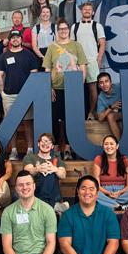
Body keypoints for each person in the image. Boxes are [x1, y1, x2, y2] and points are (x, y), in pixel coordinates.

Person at [58, 175, 127, 254]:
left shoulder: (108, 214)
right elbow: (65, 246)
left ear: (97, 192)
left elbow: (113, 243)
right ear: (78, 191)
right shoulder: (68, 215)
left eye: (91, 189)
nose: (87, 192)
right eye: (83, 188)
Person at [0, 170, 61, 254]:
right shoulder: (8, 212)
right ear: (16, 188)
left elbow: (51, 243)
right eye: (20, 185)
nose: (24, 187)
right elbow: (6, 246)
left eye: (28, 184)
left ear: (34, 186)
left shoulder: (47, 210)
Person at [43, 18, 87, 160]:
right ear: (58, 31)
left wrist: (80, 85)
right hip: (56, 88)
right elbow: (47, 68)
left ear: (69, 30)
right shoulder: (52, 47)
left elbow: (83, 66)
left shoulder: (77, 45)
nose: (63, 31)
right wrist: (48, 87)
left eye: (65, 28)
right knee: (55, 118)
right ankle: (55, 148)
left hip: (73, 89)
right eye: (60, 29)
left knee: (70, 119)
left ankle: (68, 147)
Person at [0, 29, 39, 160]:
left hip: (26, 95)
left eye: (17, 37)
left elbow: (34, 73)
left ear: (21, 39)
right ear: (10, 40)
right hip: (9, 95)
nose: (15, 39)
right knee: (11, 124)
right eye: (13, 38)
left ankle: (30, 149)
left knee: (28, 122)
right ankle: (13, 151)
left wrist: (31, 92)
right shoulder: (4, 56)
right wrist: (2, 92)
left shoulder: (29, 55)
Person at [70, 2, 106, 120]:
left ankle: (91, 112)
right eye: (85, 9)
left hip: (92, 60)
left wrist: (99, 58)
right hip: (78, 62)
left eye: (89, 9)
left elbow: (102, 43)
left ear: (93, 12)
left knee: (93, 89)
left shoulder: (97, 26)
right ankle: (77, 115)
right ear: (81, 11)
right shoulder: (74, 27)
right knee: (77, 89)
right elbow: (71, 45)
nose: (87, 11)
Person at [23, 132, 69, 213]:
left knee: (50, 173)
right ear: (38, 144)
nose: (45, 144)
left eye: (48, 142)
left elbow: (63, 174)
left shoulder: (56, 159)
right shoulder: (30, 157)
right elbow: (27, 171)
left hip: (53, 194)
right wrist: (38, 169)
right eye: (43, 141)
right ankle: (54, 206)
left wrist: (54, 169)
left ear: (52, 146)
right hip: (36, 193)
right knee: (46, 173)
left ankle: (49, 205)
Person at [93, 134, 128, 210]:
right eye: (106, 144)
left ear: (117, 146)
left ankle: (111, 205)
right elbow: (97, 185)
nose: (109, 146)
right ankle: (121, 206)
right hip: (104, 192)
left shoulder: (125, 160)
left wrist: (119, 193)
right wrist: (108, 193)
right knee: (93, 194)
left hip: (122, 192)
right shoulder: (99, 159)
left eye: (111, 144)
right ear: (103, 146)